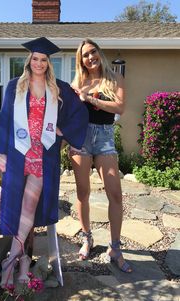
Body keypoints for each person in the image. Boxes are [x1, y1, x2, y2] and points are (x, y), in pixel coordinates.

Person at [0, 37, 89, 288]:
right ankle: (20, 262)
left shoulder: (58, 88)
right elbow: (4, 119)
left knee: (29, 209)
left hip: (42, 155)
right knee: (17, 208)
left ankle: (12, 260)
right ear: (29, 60)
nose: (39, 63)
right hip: (17, 153)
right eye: (35, 58)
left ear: (49, 63)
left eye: (44, 59)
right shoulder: (15, 86)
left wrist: (62, 130)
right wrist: (1, 152)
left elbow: (79, 111)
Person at [70, 38, 132, 273]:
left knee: (115, 193)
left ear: (99, 52)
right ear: (81, 60)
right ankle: (87, 238)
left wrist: (92, 99)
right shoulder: (79, 81)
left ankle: (115, 247)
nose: (90, 57)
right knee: (82, 192)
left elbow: (119, 108)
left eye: (93, 52)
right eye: (85, 55)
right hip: (81, 138)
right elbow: (70, 111)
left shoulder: (115, 78)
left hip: (105, 138)